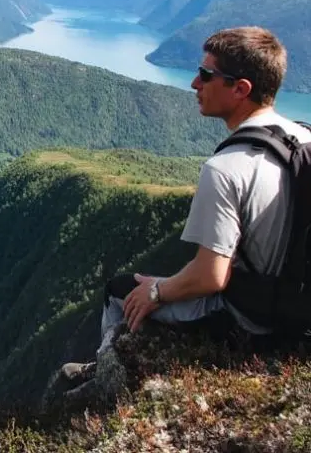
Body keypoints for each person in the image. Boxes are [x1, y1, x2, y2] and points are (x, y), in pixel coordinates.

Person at [59, 26, 311, 391]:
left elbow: (212, 277)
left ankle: (103, 376)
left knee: (120, 290)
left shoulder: (226, 169)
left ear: (241, 89)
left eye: (207, 75)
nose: (195, 83)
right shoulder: (303, 138)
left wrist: (156, 291)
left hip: (255, 321)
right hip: (299, 309)